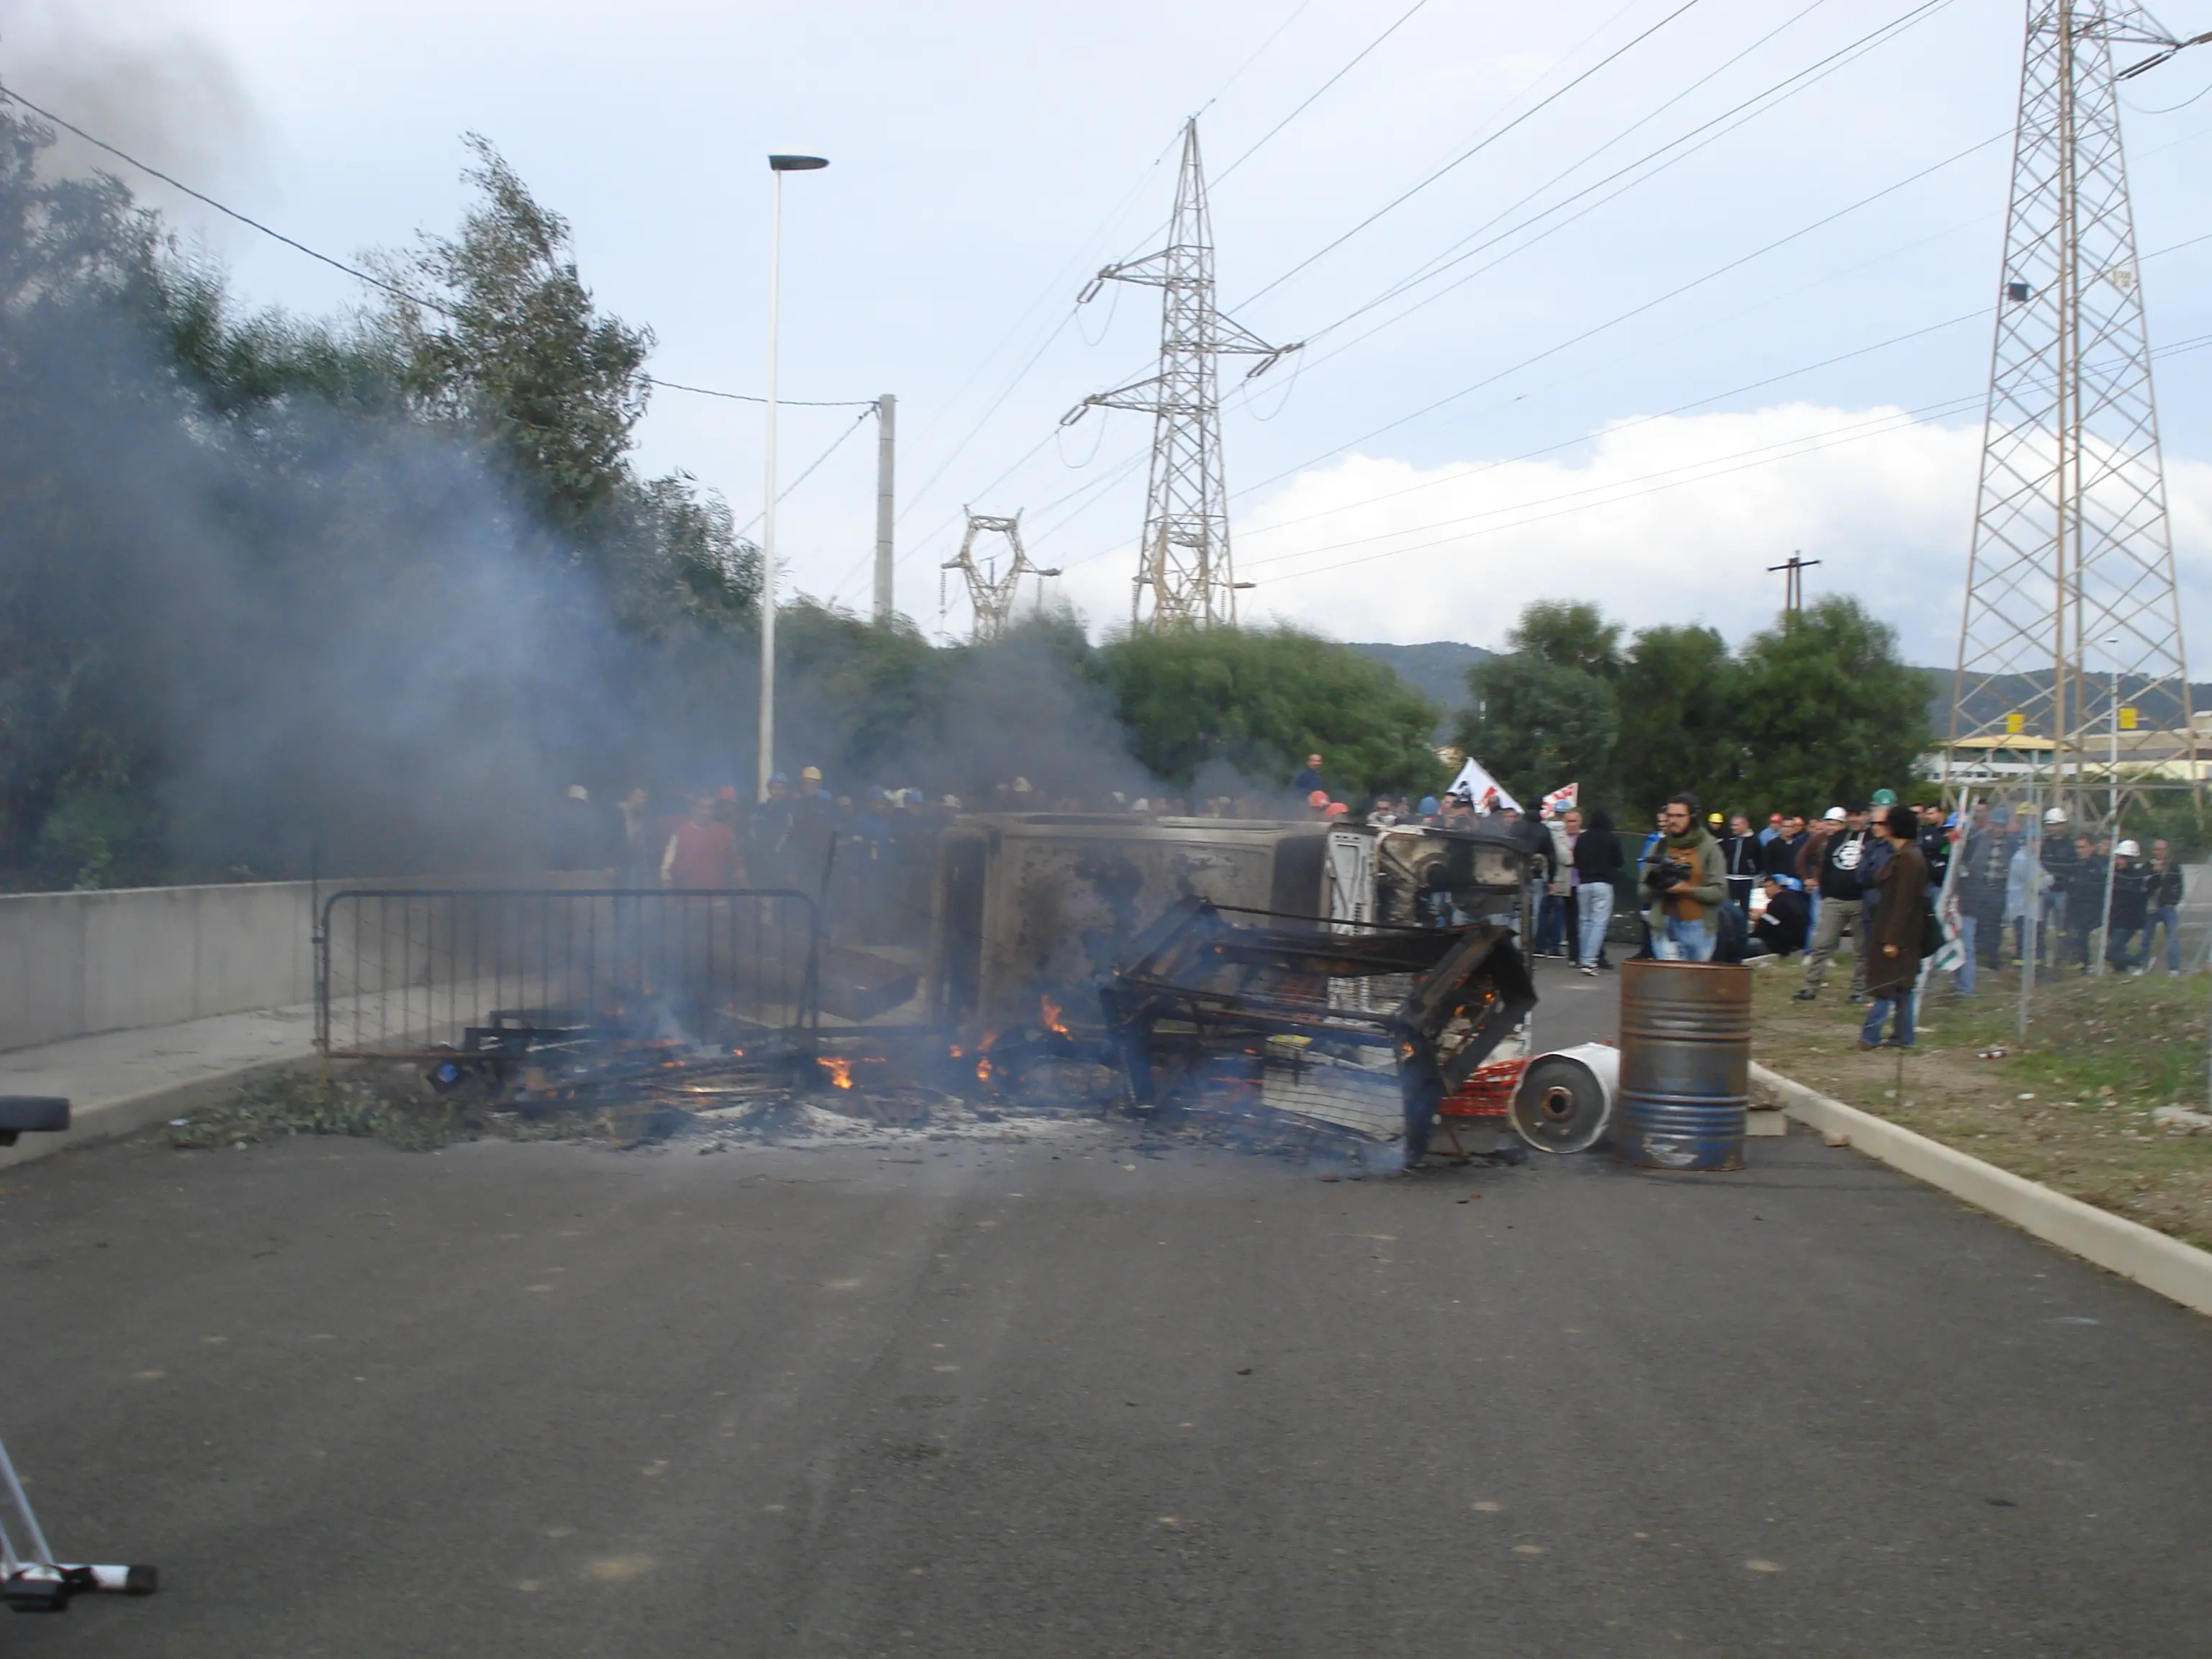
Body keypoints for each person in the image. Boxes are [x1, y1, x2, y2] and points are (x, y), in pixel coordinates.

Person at [1861, 805, 1929, 1048]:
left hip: (1899, 934)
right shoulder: (1901, 855)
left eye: (1884, 824)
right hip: (1892, 929)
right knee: (1900, 988)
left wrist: (1893, 939)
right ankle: (1903, 1036)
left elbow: (1904, 904)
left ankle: (1870, 1036)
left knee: (1885, 986)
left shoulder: (1909, 859)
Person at [1795, 804, 1871, 1002]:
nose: (1855, 819)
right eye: (1851, 816)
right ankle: (1810, 987)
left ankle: (1858, 991)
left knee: (1862, 949)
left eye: (1858, 815)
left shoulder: (1873, 838)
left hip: (1861, 901)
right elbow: (1824, 864)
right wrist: (1823, 888)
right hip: (1834, 899)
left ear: (1866, 816)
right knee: (1822, 944)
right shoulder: (1836, 838)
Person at [1641, 793, 1727, 963]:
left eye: (1680, 816)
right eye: (1670, 815)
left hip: (1697, 926)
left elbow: (1719, 892)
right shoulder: (1659, 847)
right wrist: (1657, 884)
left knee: (1694, 983)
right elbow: (1642, 889)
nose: (1673, 820)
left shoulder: (1709, 848)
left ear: (1693, 817)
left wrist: (1686, 889)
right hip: (1663, 924)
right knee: (1669, 982)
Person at [1951, 802, 2012, 992]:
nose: (1998, 829)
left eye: (2002, 825)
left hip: (1999, 888)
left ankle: (1993, 958)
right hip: (1980, 887)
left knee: (1994, 924)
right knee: (1977, 924)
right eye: (1996, 824)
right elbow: (1967, 859)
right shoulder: (1979, 838)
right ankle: (1980, 955)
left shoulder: (2013, 843)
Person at [1572, 806, 1622, 973]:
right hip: (1603, 883)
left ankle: (1583, 958)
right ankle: (1590, 961)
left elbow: (1576, 860)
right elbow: (1619, 861)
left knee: (1584, 922)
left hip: (1584, 883)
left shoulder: (1582, 838)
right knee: (1598, 923)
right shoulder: (1611, 838)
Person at [660, 792, 745, 889]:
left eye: (710, 808)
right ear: (693, 809)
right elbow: (666, 870)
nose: (707, 812)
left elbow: (737, 867)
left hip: (719, 899)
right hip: (688, 899)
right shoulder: (681, 833)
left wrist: (750, 894)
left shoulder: (725, 832)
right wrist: (668, 898)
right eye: (702, 807)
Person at [2104, 839, 2151, 971]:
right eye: (2118, 858)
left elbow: (2139, 902)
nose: (2119, 861)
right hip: (2114, 919)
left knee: (2111, 953)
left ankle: (2140, 961)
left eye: (2123, 858)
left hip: (2128, 922)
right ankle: (2121, 974)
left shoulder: (2138, 877)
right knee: (2118, 955)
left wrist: (2138, 922)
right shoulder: (2114, 875)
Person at [2142, 839, 2186, 974]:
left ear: (2167, 850)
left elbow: (2179, 886)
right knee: (2146, 938)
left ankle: (2173, 968)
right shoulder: (2148, 866)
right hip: (2151, 907)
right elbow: (2143, 885)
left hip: (2167, 907)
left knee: (2173, 937)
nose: (2160, 852)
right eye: (2157, 849)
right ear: (2153, 851)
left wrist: (2174, 901)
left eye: (2162, 849)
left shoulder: (2173, 866)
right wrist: (2155, 873)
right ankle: (2143, 965)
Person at [2064, 832, 2105, 974]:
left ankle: (2090, 967)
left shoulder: (2099, 867)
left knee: (2087, 939)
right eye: (2077, 847)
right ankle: (2081, 967)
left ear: (2092, 847)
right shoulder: (2075, 865)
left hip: (2093, 911)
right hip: (2075, 910)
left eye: (2083, 847)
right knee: (2077, 940)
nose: (2079, 850)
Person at [1748, 874, 1811, 958]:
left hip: (1779, 946)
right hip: (1799, 944)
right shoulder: (1800, 900)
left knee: (1740, 944)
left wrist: (1758, 920)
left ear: (1778, 886)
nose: (1765, 890)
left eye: (1768, 887)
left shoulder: (1777, 903)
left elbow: (1762, 929)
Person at [1719, 811, 1761, 912]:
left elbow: (1760, 858)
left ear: (1745, 825)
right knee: (1728, 907)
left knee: (1744, 907)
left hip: (1747, 879)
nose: (1734, 828)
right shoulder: (1729, 839)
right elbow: (1722, 855)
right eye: (1732, 825)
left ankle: (1743, 926)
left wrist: (1755, 871)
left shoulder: (1754, 840)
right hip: (1729, 878)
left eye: (1736, 825)